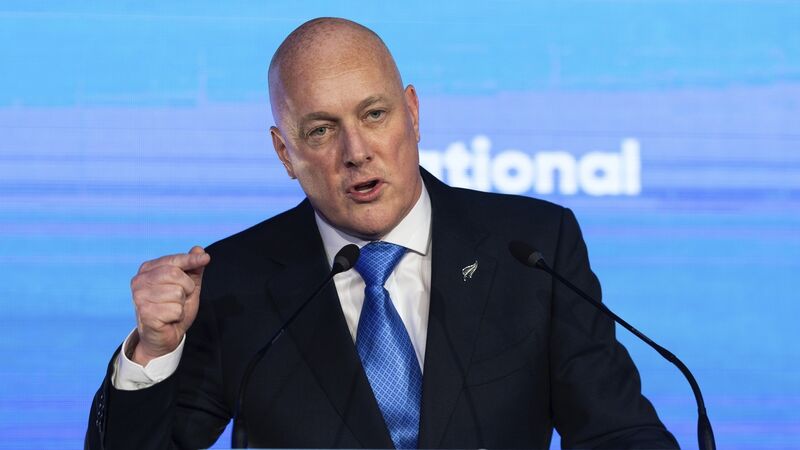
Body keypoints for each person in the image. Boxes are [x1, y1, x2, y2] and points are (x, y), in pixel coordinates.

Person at [86, 17, 679, 449]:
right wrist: (153, 353)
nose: (356, 151)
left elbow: (618, 432)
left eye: (374, 114)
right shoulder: (234, 283)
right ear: (284, 153)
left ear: (412, 114)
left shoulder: (531, 248)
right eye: (321, 130)